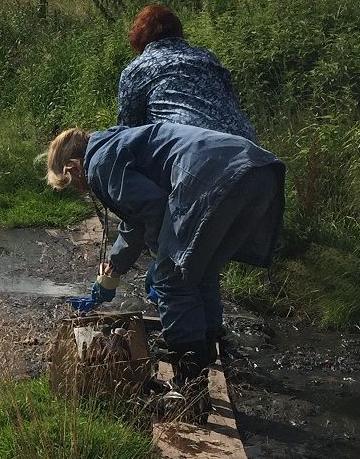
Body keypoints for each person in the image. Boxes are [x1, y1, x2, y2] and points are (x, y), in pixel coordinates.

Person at [43, 122, 285, 389]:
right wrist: (116, 265)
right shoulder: (116, 144)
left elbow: (154, 207)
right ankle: (208, 348)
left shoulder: (99, 163)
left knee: (172, 281)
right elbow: (136, 218)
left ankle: (190, 385)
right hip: (259, 171)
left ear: (74, 167)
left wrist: (162, 259)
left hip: (212, 179)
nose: (81, 189)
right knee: (201, 271)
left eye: (73, 183)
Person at [119, 4, 257, 143]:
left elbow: (129, 131)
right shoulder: (206, 56)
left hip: (190, 145)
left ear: (140, 37)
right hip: (244, 140)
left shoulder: (137, 69)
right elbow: (229, 98)